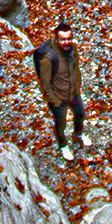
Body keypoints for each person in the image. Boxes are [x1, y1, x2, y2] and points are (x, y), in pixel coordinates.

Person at [32, 21, 87, 160]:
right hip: (58, 97)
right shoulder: (48, 59)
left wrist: (77, 85)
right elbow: (45, 84)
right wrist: (54, 101)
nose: (67, 42)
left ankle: (77, 134)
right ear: (56, 39)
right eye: (63, 39)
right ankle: (63, 145)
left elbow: (76, 68)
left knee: (80, 114)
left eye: (69, 38)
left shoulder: (73, 48)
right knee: (60, 124)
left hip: (72, 92)